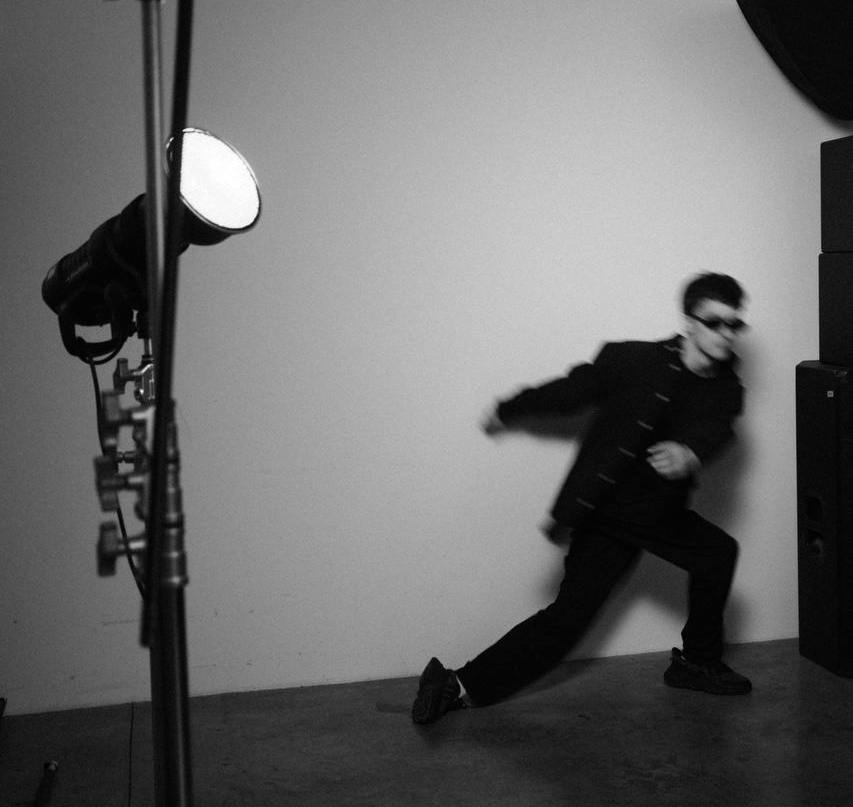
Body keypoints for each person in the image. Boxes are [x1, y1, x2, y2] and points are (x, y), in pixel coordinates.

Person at [412, 272, 752, 725]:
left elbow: (719, 430)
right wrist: (508, 408)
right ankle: (457, 685)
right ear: (689, 321)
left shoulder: (727, 387)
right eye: (715, 322)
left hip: (660, 513)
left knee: (717, 553)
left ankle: (696, 663)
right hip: (608, 511)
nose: (726, 333)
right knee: (568, 620)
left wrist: (690, 452)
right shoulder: (632, 360)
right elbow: (570, 392)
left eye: (735, 324)